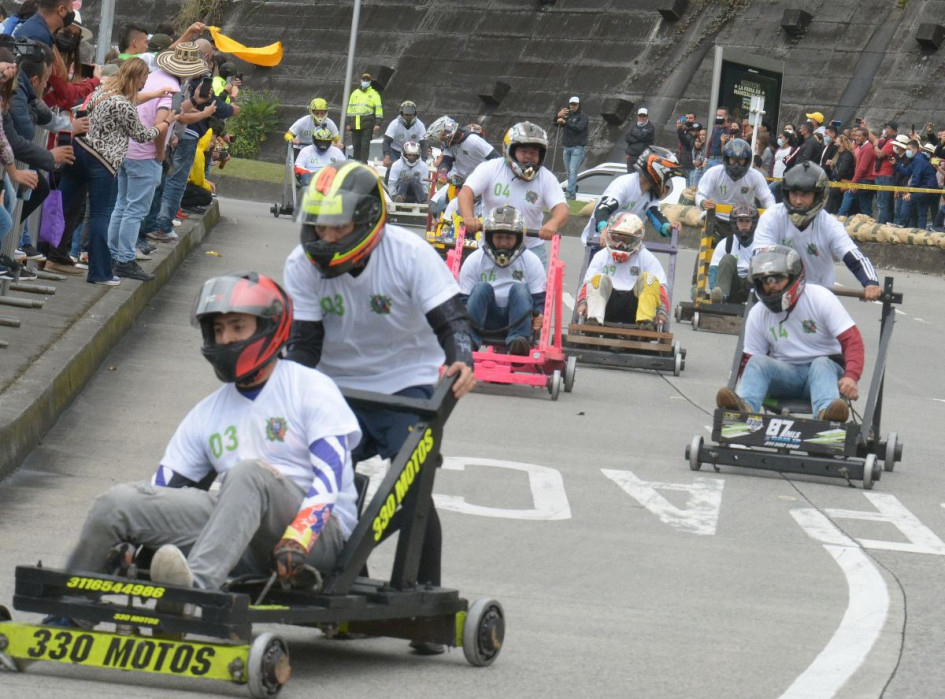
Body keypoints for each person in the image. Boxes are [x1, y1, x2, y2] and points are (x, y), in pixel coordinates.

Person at [57, 272, 361, 606]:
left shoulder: (310, 388)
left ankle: (191, 594)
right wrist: (135, 541)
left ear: (268, 328)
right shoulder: (207, 412)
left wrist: (300, 535)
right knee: (116, 504)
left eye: (237, 326)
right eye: (218, 329)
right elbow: (163, 490)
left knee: (247, 474)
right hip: (235, 534)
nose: (226, 339)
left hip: (318, 539)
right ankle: (67, 611)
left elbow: (330, 475)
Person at [282, 161, 476, 653]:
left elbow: (451, 320)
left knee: (411, 480)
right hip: (334, 384)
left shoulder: (409, 254)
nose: (325, 236)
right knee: (317, 481)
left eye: (337, 225)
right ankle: (343, 591)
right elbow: (303, 345)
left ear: (368, 220)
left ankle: (422, 598)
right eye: (319, 224)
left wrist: (461, 360)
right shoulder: (300, 265)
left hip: (406, 383)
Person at [58, 57, 178, 286]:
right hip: (102, 161)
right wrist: (165, 124)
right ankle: (99, 272)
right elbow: (142, 135)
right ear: (137, 78)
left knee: (64, 206)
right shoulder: (123, 105)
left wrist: (155, 94)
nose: (145, 84)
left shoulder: (105, 89)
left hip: (78, 150)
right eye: (144, 79)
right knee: (101, 215)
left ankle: (52, 255)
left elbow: (132, 100)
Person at [716, 245, 864, 423]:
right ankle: (744, 409)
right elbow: (748, 361)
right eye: (766, 280)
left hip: (826, 374)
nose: (772, 285)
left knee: (821, 364)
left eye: (778, 278)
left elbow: (852, 340)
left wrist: (851, 376)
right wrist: (745, 387)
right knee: (757, 362)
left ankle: (827, 415)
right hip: (785, 376)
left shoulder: (821, 298)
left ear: (794, 277)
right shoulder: (758, 313)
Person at [753, 161, 881, 299]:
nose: (798, 201)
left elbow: (854, 257)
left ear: (819, 196)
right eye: (794, 194)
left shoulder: (829, 225)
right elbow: (760, 254)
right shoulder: (772, 217)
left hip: (817, 298)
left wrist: (870, 282)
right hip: (777, 294)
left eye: (805, 195)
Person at [458, 121, 568, 266]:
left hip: (531, 249)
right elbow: (466, 192)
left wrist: (553, 224)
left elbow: (561, 206)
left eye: (534, 152)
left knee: (536, 289)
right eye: (523, 151)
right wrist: (468, 217)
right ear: (509, 150)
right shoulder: (490, 168)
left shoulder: (546, 177)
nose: (529, 157)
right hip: (491, 246)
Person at [459, 205, 546, 354]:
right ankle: (469, 340)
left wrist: (539, 314)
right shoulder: (475, 260)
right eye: (499, 237)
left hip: (518, 319)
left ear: (518, 238)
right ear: (490, 237)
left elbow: (538, 299)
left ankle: (518, 342)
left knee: (520, 288)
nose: (504, 243)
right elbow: (462, 300)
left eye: (509, 238)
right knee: (481, 288)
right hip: (484, 319)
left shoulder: (531, 261)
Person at [575, 211, 669, 329]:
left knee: (650, 279)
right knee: (597, 279)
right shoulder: (601, 256)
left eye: (626, 240)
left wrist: (661, 311)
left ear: (637, 239)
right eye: (616, 238)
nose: (620, 245)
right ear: (610, 236)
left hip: (636, 309)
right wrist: (583, 303)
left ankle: (646, 323)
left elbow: (661, 287)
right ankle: (594, 320)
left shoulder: (646, 257)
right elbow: (587, 284)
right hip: (606, 306)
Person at [579, 145, 683, 248]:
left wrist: (669, 228)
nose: (666, 183)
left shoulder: (651, 194)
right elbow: (602, 209)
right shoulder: (624, 184)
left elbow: (656, 216)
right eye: (666, 177)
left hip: (627, 245)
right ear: (657, 172)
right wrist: (603, 229)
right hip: (600, 242)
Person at [696, 137, 775, 241]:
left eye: (741, 160)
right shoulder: (714, 173)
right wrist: (703, 202)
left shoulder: (755, 176)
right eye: (733, 160)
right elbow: (700, 194)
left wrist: (772, 213)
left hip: (745, 220)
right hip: (717, 219)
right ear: (726, 158)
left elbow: (767, 198)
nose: (736, 165)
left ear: (747, 160)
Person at [708, 202, 757, 304]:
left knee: (758, 260)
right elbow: (713, 270)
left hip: (754, 289)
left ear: (753, 223)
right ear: (735, 223)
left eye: (747, 221)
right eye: (740, 221)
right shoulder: (725, 244)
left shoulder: (761, 244)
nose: (744, 224)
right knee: (728, 258)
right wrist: (715, 290)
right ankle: (722, 298)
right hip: (732, 288)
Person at [893, 139, 939, 229]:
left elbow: (916, 178)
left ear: (915, 149)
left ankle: (901, 223)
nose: (907, 151)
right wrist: (895, 164)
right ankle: (921, 233)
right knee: (922, 212)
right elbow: (906, 172)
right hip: (925, 189)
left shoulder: (918, 160)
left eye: (908, 149)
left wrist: (910, 192)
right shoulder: (916, 159)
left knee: (908, 199)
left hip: (927, 189)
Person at [837, 126, 876, 218]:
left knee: (849, 194)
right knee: (865, 205)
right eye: (856, 136)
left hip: (865, 180)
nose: (856, 138)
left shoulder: (867, 148)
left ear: (865, 137)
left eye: (859, 136)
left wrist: (854, 182)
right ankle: (868, 221)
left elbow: (862, 168)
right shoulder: (865, 147)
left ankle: (840, 216)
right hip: (866, 180)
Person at [381, 100, 427, 175]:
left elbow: (424, 144)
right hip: (395, 151)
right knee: (392, 169)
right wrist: (386, 156)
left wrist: (424, 160)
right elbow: (386, 141)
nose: (408, 117)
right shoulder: (394, 124)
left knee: (414, 172)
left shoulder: (420, 125)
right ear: (401, 114)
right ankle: (389, 186)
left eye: (410, 115)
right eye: (406, 115)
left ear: (414, 114)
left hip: (412, 152)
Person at [345, 72, 382, 163]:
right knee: (356, 145)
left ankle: (363, 165)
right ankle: (356, 164)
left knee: (364, 145)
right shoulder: (355, 93)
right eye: (364, 79)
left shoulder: (374, 94)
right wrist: (348, 123)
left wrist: (377, 123)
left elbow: (378, 109)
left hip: (367, 123)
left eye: (367, 80)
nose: (365, 81)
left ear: (370, 81)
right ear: (361, 80)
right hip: (355, 123)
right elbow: (350, 108)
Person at [556, 95, 588, 199]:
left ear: (579, 105)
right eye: (571, 104)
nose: (573, 106)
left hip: (577, 148)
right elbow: (555, 123)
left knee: (573, 170)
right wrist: (558, 116)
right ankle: (572, 194)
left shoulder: (583, 116)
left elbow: (579, 128)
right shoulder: (566, 115)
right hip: (567, 147)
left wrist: (566, 122)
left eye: (575, 104)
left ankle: (569, 192)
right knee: (569, 172)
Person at [624, 106, 654, 173]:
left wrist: (634, 133)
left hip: (643, 158)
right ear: (637, 117)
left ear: (647, 117)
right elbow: (627, 138)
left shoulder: (650, 127)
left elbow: (644, 136)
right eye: (640, 116)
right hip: (631, 157)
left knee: (641, 178)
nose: (642, 118)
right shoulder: (633, 126)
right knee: (630, 177)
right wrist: (639, 138)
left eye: (644, 116)